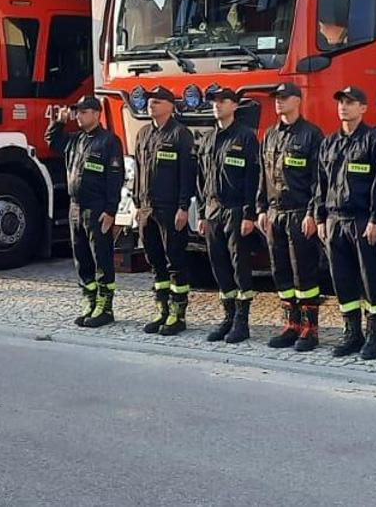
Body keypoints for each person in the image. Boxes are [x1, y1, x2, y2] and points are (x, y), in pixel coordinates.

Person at [313, 86, 376, 360]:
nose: (344, 107)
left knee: (370, 278)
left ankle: (374, 336)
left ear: (363, 108)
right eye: (341, 103)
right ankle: (352, 333)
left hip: (361, 220)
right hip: (335, 220)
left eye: (350, 102)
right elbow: (321, 183)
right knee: (342, 279)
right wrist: (320, 216)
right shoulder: (329, 142)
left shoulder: (373, 142)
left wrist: (375, 220)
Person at [257, 82, 326, 352]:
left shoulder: (311, 135)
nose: (278, 102)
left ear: (298, 100)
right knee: (281, 271)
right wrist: (261, 208)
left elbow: (318, 181)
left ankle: (310, 329)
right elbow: (263, 176)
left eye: (284, 98)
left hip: (299, 213)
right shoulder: (270, 135)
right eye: (276, 98)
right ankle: (291, 325)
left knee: (303, 271)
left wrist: (313, 213)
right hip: (275, 213)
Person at [46, 95, 125, 328]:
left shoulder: (109, 141)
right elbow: (52, 141)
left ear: (96, 113)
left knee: (101, 258)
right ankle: (90, 301)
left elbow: (115, 178)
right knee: (81, 259)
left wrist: (111, 210)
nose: (78, 116)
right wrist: (58, 122)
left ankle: (105, 307)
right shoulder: (76, 140)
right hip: (75, 208)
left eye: (83, 112)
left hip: (97, 208)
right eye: (77, 112)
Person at [133, 85, 198, 335]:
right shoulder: (143, 134)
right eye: (151, 100)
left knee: (175, 261)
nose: (152, 104)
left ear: (171, 106)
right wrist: (138, 205)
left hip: (171, 209)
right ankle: (161, 310)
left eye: (159, 101)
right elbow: (139, 171)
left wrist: (184, 207)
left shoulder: (181, 134)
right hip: (148, 209)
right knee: (155, 261)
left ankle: (178, 314)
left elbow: (187, 175)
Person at [198, 86, 261, 343]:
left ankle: (242, 322)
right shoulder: (208, 138)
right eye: (214, 101)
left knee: (239, 267)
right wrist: (202, 213)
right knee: (219, 266)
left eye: (223, 101)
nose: (218, 105)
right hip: (213, 211)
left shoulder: (246, 137)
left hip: (236, 211)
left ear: (234, 106)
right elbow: (201, 179)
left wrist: (249, 214)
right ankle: (228, 316)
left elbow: (252, 178)